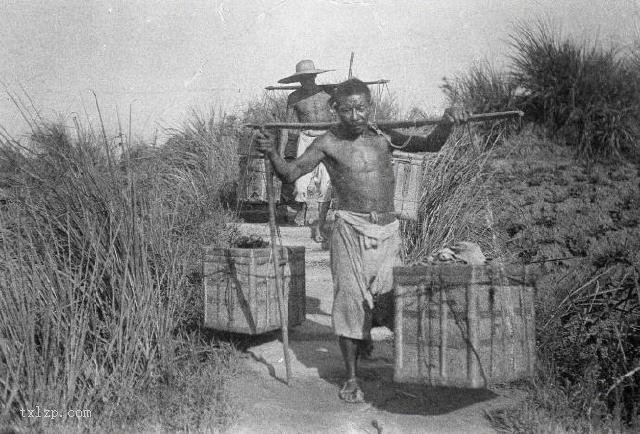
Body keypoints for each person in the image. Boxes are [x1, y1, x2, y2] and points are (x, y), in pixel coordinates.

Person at [257, 78, 469, 403]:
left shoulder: (384, 136)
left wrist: (446, 122)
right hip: (350, 229)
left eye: (362, 107)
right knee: (349, 300)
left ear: (370, 107)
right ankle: (352, 378)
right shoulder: (328, 143)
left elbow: (430, 144)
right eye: (348, 109)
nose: (356, 115)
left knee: (389, 298)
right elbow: (289, 173)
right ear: (335, 109)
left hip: (388, 230)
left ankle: (384, 349)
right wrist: (271, 152)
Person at [278, 60, 334, 240]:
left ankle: (319, 226)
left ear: (315, 76)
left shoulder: (328, 94)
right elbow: (285, 126)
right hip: (305, 138)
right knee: (300, 181)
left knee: (325, 183)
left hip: (326, 138)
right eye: (303, 78)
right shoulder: (294, 98)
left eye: (309, 77)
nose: (306, 81)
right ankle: (301, 209)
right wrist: (281, 151)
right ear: (299, 79)